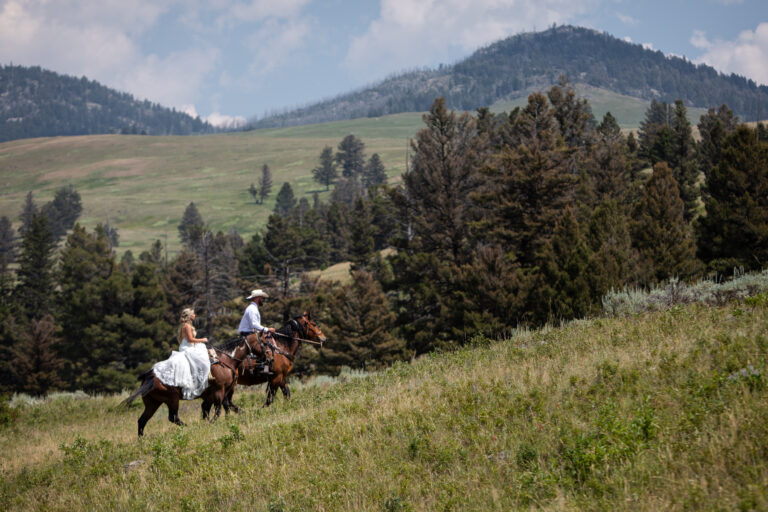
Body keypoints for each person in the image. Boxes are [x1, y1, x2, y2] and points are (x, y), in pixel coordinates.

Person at [152, 308, 211, 400]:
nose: (195, 315)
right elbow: (190, 339)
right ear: (190, 316)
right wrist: (202, 340)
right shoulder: (187, 326)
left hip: (189, 346)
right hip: (187, 348)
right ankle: (202, 380)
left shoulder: (186, 325)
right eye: (193, 314)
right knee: (202, 359)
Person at [238, 289, 275, 372]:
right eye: (262, 298)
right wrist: (267, 329)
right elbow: (254, 324)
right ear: (257, 298)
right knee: (265, 348)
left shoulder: (253, 308)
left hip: (249, 333)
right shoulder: (252, 309)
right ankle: (262, 368)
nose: (263, 300)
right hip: (248, 334)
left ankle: (264, 368)